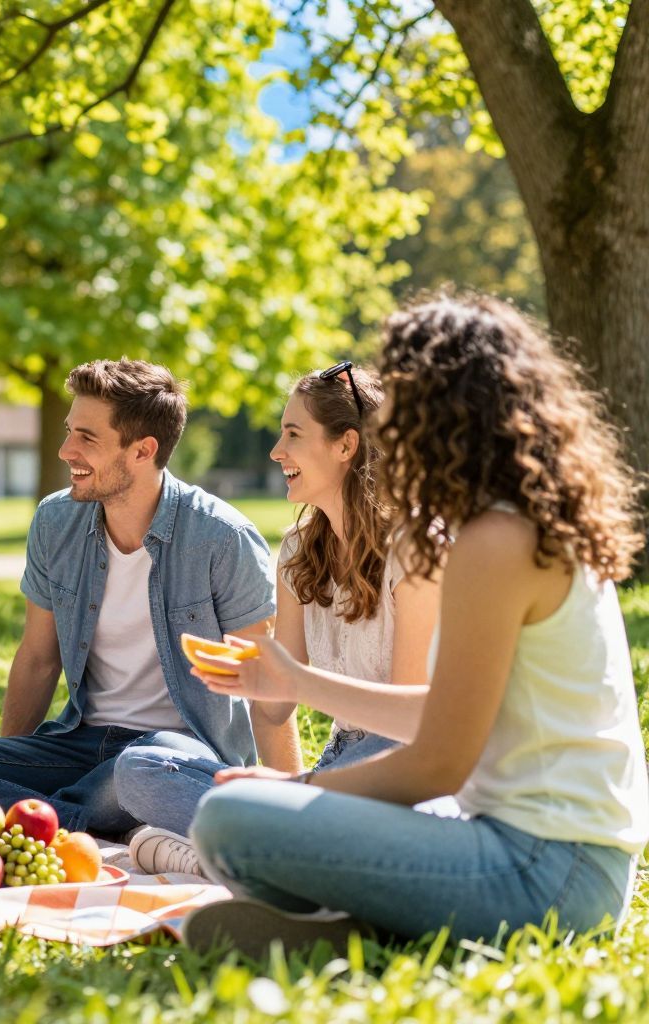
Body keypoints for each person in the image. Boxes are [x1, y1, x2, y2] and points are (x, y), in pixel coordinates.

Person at [184, 293, 649, 957]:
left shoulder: (497, 541)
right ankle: (356, 934)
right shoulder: (506, 524)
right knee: (242, 814)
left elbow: (437, 761)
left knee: (231, 820)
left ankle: (355, 929)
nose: (387, 415)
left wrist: (299, 788)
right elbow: (442, 717)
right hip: (547, 858)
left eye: (398, 389)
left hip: (550, 872)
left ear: (440, 405)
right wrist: (294, 683)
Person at [0, 359, 290, 838]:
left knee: (139, 773)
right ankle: (88, 824)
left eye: (87, 438)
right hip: (80, 744)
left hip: (176, 750)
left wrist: (291, 804)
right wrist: (6, 764)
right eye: (68, 432)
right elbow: (39, 659)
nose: (66, 450)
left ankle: (39, 823)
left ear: (143, 450)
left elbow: (266, 684)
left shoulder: (222, 538)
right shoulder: (55, 522)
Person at [116, 365, 440, 873]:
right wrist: (249, 675)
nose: (276, 451)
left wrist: (291, 778)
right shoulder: (298, 551)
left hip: (401, 764)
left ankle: (246, 852)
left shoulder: (414, 550)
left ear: (345, 445)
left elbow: (410, 723)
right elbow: (276, 708)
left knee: (318, 803)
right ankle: (274, 846)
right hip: (339, 764)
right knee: (141, 767)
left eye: (293, 434)